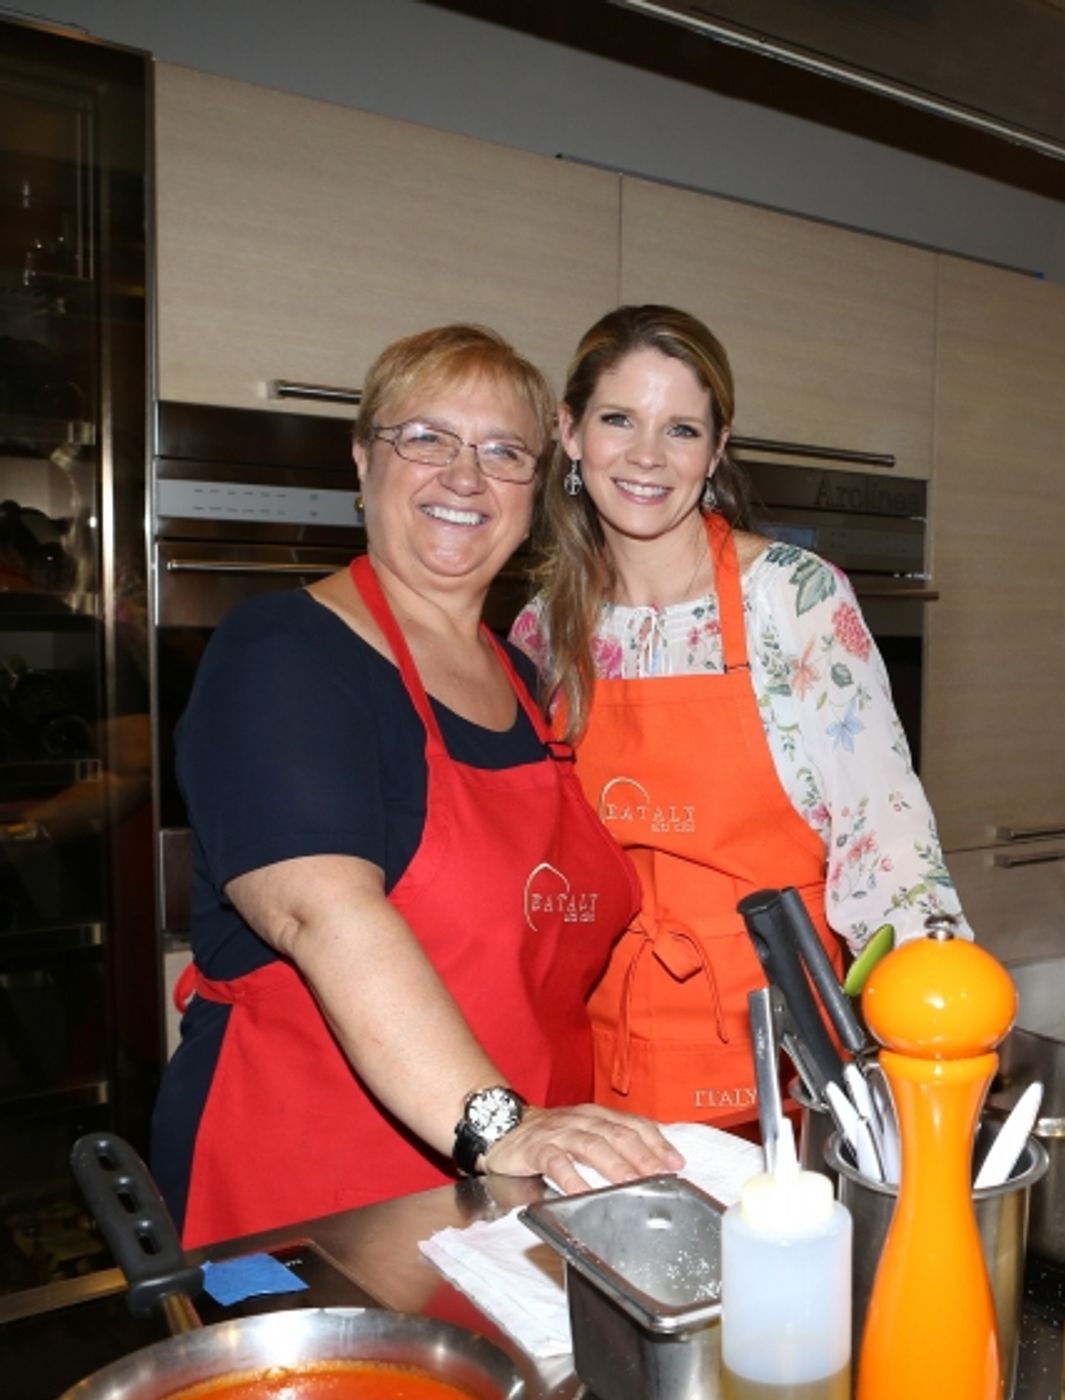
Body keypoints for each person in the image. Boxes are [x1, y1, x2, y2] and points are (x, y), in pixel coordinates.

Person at [152, 324, 681, 1248]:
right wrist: (501, 1125)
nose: (464, 476)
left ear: (533, 492)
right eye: (426, 438)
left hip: (498, 1205)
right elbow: (323, 914)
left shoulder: (525, 680)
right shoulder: (282, 653)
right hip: (314, 1205)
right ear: (362, 461)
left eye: (503, 451)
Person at [510, 305, 970, 1127]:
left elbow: (885, 842)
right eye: (619, 419)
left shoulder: (794, 599)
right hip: (593, 1060)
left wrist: (936, 1043)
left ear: (717, 450)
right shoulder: (543, 630)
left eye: (681, 428)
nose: (648, 455)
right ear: (570, 431)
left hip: (777, 1057)